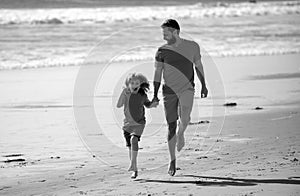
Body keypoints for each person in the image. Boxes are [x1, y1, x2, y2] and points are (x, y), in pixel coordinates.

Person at [152, 19, 208, 176]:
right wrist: (155, 94)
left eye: (166, 33)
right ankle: (172, 160)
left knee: (185, 119)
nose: (163, 37)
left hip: (187, 88)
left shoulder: (192, 46)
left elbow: (198, 67)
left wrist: (204, 85)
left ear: (175, 31)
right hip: (168, 91)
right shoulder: (161, 51)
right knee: (170, 126)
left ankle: (181, 133)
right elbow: (157, 74)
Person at [117, 72, 158, 179]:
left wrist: (153, 103)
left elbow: (148, 105)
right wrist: (123, 93)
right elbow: (119, 105)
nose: (134, 85)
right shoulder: (126, 93)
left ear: (140, 85)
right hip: (127, 125)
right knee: (130, 148)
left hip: (139, 123)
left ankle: (132, 164)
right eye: (132, 83)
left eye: (137, 83)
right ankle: (134, 170)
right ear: (128, 84)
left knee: (134, 140)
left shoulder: (142, 95)